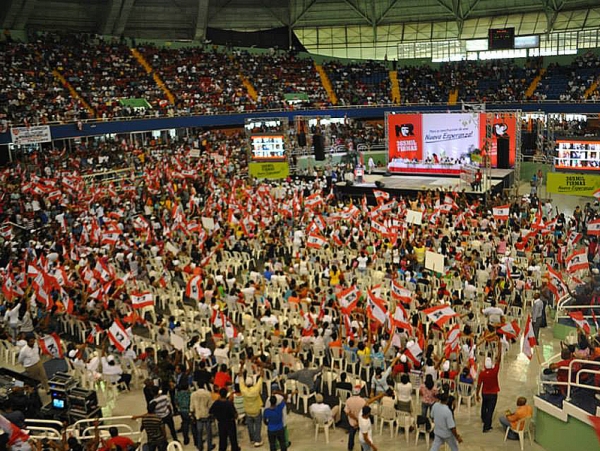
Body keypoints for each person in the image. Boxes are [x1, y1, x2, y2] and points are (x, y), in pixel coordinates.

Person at [344, 386, 383, 451]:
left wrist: (355, 419)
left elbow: (347, 412)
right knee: (362, 437)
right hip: (361, 422)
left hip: (352, 422)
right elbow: (369, 401)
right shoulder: (362, 401)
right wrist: (379, 396)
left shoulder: (348, 400)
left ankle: (350, 447)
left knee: (351, 435)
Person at [476, 347, 502, 433]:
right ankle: (486, 426)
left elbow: (479, 385)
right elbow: (499, 360)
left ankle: (484, 418)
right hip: (493, 394)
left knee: (484, 406)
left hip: (485, 393)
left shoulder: (482, 374)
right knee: (490, 410)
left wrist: (477, 394)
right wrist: (500, 347)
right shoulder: (494, 371)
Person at [239, 365, 264, 447]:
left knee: (250, 426)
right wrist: (261, 366)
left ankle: (252, 439)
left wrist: (241, 366)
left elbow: (240, 376)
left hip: (247, 410)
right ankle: (258, 440)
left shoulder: (243, 390)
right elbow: (261, 377)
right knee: (257, 425)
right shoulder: (256, 389)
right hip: (256, 410)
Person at [190, 382, 214, 451]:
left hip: (198, 415)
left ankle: (200, 446)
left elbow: (192, 406)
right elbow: (210, 405)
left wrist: (192, 415)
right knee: (209, 432)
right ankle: (209, 446)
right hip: (206, 414)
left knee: (199, 432)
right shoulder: (207, 393)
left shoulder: (193, 394)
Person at [175, 380, 192, 445]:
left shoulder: (178, 394)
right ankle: (191, 438)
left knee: (185, 423)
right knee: (190, 424)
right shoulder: (189, 394)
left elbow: (176, 402)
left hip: (181, 410)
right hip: (188, 410)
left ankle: (185, 438)